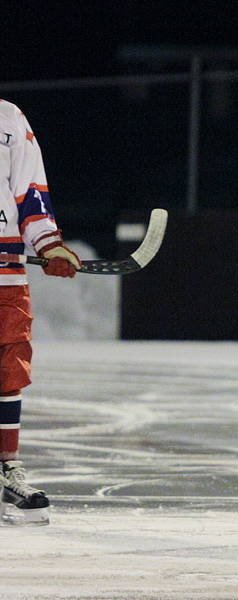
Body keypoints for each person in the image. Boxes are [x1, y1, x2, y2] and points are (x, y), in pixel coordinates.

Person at [0, 99, 82, 526]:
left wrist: (47, 243)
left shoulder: (9, 118)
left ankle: (5, 470)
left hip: (5, 272)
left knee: (7, 367)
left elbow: (31, 193)